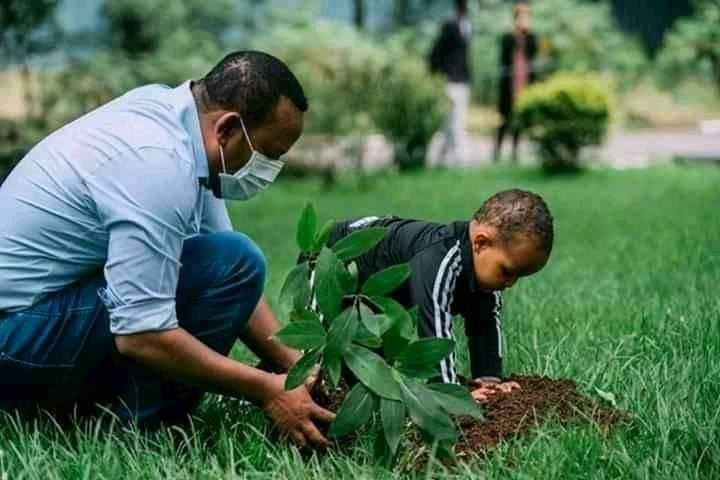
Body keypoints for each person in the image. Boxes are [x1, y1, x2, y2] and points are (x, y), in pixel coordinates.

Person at [0, 51, 335, 449]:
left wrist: (294, 364)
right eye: (268, 156)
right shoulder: (157, 163)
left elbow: (232, 281)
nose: (270, 170)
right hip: (12, 338)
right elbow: (141, 333)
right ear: (227, 128)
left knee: (231, 260)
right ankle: (144, 433)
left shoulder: (179, 123)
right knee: (233, 262)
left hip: (37, 319)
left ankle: (103, 405)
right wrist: (267, 390)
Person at [323, 189, 553, 400]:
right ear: (481, 243)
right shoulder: (440, 261)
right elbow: (435, 330)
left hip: (378, 299)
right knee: (326, 354)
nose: (511, 283)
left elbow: (485, 324)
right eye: (507, 271)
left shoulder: (483, 270)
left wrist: (490, 380)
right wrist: (450, 394)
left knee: (368, 371)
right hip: (336, 256)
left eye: (519, 277)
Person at [429, 0, 472, 166]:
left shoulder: (466, 25)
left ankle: (441, 158)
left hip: (463, 80)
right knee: (454, 120)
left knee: (453, 121)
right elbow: (436, 52)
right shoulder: (449, 25)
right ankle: (460, 158)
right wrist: (438, 76)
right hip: (450, 80)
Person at [494, 1, 538, 163]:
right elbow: (504, 59)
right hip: (509, 85)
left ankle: (515, 153)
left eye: (526, 15)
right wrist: (517, 36)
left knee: (519, 121)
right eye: (521, 15)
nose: (523, 19)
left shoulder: (532, 37)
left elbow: (533, 56)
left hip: (524, 84)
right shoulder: (508, 37)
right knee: (504, 120)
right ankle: (497, 153)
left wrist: (525, 35)